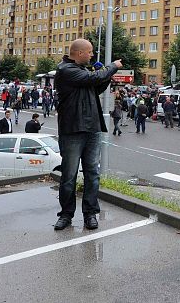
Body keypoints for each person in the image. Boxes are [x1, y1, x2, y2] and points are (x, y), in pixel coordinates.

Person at [54, 39, 121, 231]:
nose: (92, 55)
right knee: (69, 176)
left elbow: (95, 87)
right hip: (73, 130)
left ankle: (90, 214)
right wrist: (112, 67)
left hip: (92, 128)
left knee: (92, 174)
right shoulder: (66, 70)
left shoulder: (82, 71)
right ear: (80, 52)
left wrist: (105, 77)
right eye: (90, 52)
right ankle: (66, 215)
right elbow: (92, 80)